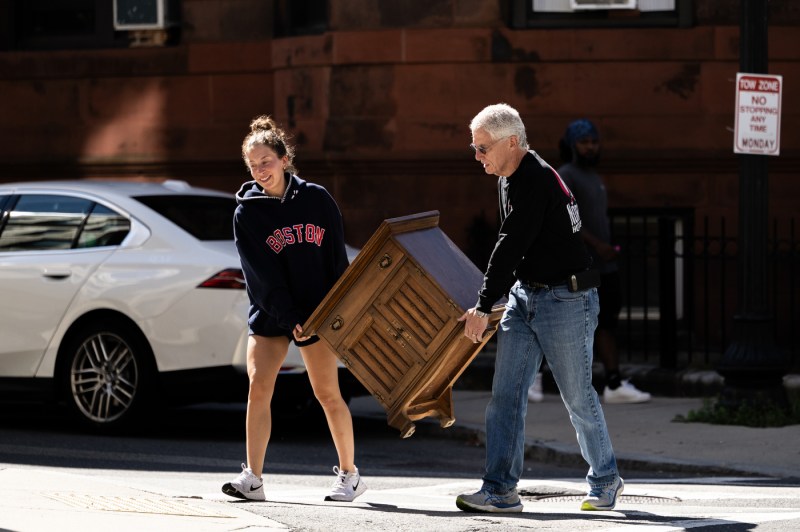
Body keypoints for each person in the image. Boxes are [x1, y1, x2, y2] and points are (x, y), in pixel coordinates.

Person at [456, 103, 623, 514]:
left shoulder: (533, 179)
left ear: (512, 142)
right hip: (525, 295)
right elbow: (512, 246)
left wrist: (481, 305)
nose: (477, 156)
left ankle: (605, 479)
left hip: (567, 300)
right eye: (474, 148)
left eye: (482, 148)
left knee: (577, 397)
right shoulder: (508, 174)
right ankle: (500, 490)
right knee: (506, 397)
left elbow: (510, 244)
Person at [222, 115, 366, 503]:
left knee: (326, 393)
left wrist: (338, 310)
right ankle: (253, 478)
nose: (259, 171)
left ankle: (350, 475)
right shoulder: (247, 213)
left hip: (317, 313)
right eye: (252, 165)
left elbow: (338, 261)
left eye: (265, 161)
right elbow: (261, 276)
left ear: (285, 159)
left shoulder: (318, 200)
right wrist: (289, 317)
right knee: (259, 388)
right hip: (274, 313)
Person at [557, 119, 651, 404]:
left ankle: (613, 382)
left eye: (594, 141)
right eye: (584, 142)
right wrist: (597, 245)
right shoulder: (566, 175)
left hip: (605, 264)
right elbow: (566, 219)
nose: (590, 147)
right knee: (579, 324)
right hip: (584, 263)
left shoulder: (594, 176)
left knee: (608, 319)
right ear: (572, 145)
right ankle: (547, 381)